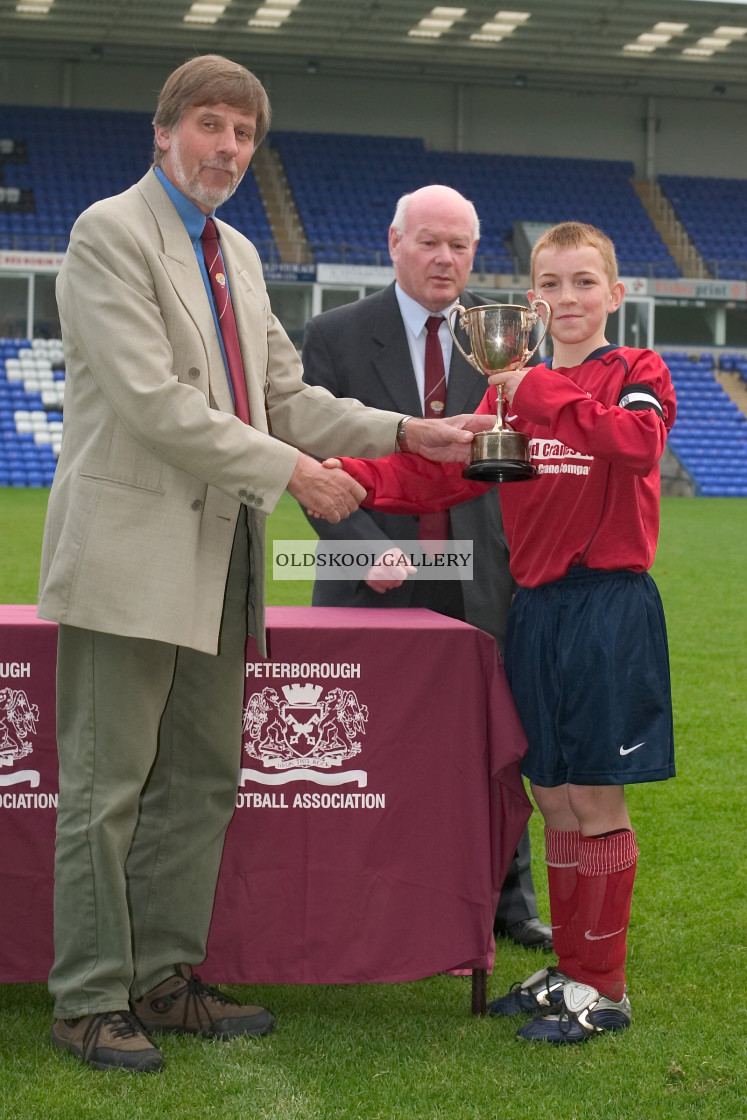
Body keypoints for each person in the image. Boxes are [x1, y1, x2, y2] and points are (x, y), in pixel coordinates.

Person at [37, 55, 491, 1074]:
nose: (228, 149)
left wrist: (405, 432)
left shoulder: (236, 251)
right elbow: (159, 405)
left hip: (220, 561)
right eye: (210, 126)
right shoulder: (109, 235)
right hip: (126, 557)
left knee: (200, 781)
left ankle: (161, 974)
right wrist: (297, 473)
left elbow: (283, 392)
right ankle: (87, 999)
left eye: (243, 135)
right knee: (108, 788)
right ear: (165, 133)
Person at [330, 221, 676, 1043]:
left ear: (614, 295)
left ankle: (606, 986)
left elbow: (634, 444)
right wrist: (347, 474)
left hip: (607, 606)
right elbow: (438, 474)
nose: (566, 299)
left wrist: (533, 389)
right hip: (534, 610)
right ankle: (568, 969)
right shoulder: (502, 399)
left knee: (595, 795)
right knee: (551, 794)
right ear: (529, 300)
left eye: (583, 283)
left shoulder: (635, 371)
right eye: (549, 285)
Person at [300, 184, 551, 952]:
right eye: (430, 242)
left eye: (460, 246)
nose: (445, 259)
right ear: (394, 241)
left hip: (482, 576)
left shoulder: (505, 333)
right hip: (370, 569)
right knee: (365, 747)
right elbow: (313, 456)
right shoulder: (333, 335)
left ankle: (510, 902)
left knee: (492, 740)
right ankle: (355, 895)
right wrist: (363, 540)